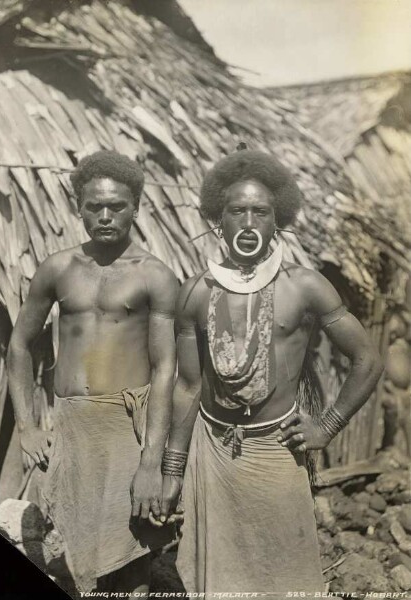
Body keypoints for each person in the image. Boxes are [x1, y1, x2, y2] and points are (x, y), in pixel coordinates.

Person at [159, 150, 383, 596]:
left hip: (278, 450)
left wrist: (327, 426)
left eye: (259, 212)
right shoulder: (195, 293)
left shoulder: (304, 285)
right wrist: (172, 468)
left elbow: (368, 359)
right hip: (216, 452)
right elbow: (188, 384)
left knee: (285, 577)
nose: (247, 222)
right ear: (217, 220)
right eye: (236, 211)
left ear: (275, 220)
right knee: (218, 582)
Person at [8, 151, 178, 597]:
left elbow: (165, 370)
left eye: (117, 206)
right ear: (77, 207)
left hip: (126, 429)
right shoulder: (58, 269)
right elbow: (20, 346)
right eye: (94, 206)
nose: (105, 216)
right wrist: (27, 426)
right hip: (71, 425)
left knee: (132, 557)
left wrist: (149, 463)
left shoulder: (155, 276)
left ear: (136, 206)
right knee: (71, 555)